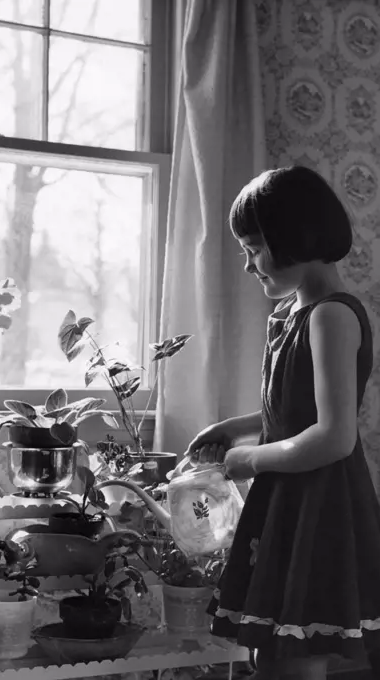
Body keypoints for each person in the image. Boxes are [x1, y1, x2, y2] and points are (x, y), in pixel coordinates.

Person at [186, 166, 380, 680]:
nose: (249, 266)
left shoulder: (331, 317)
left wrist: (247, 459)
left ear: (294, 236)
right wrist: (234, 428)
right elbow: (292, 412)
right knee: (268, 652)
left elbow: (333, 436)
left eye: (253, 248)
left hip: (319, 504)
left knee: (292, 658)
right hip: (288, 497)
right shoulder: (293, 314)